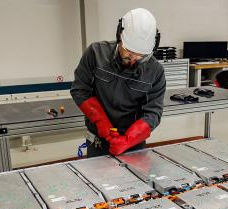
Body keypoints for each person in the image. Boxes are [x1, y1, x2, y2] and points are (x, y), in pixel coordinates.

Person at [71, 8, 165, 157]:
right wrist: (101, 122)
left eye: (141, 56)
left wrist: (128, 139)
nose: (133, 58)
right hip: (98, 141)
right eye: (129, 52)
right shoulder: (95, 54)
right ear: (119, 36)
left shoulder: (155, 71)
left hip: (134, 144)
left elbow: (153, 113)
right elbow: (80, 90)